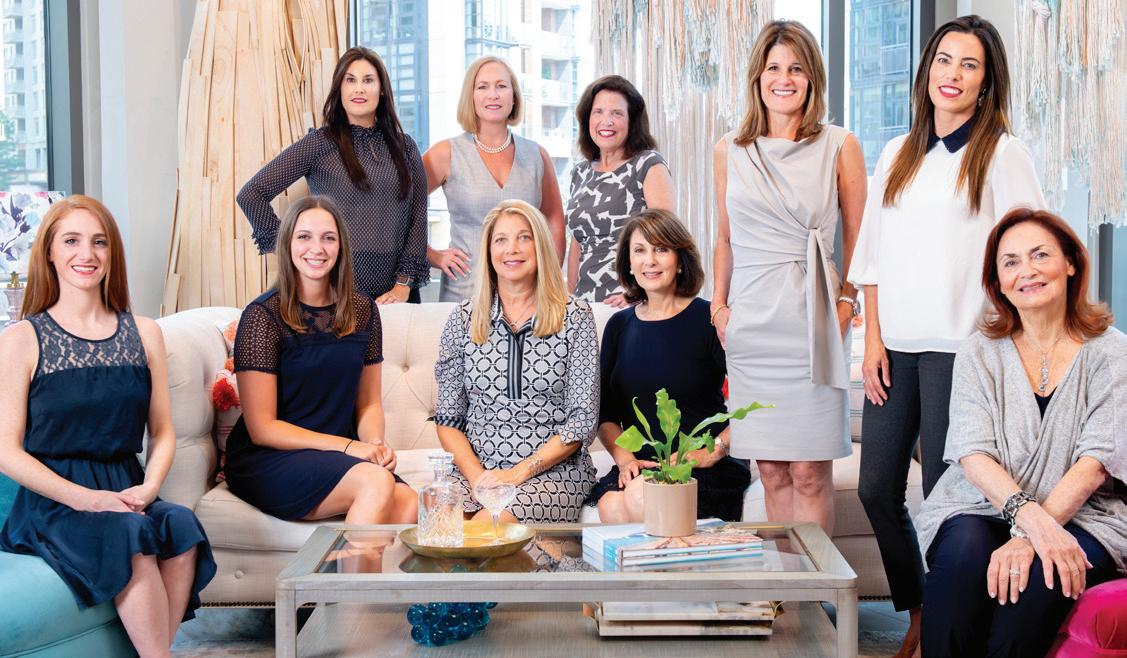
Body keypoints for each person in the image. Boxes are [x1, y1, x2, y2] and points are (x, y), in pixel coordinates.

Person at [846, 16, 1046, 655]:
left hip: (963, 352)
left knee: (943, 497)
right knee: (876, 487)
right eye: (944, 60)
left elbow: (1030, 250)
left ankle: (944, 624)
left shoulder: (1003, 154)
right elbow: (872, 256)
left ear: (987, 83)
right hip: (895, 348)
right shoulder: (897, 152)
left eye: (969, 65)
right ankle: (918, 607)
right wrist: (872, 341)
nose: (952, 75)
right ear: (927, 69)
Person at [0, 195, 216, 658]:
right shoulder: (22, 339)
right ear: (49, 252)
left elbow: (163, 431)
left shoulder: (145, 332)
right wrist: (87, 499)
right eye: (71, 241)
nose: (87, 253)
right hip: (54, 503)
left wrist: (150, 487)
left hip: (126, 487)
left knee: (180, 524)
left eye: (99, 242)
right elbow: (6, 452)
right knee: (128, 532)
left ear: (111, 253)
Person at [915, 208, 1127, 657]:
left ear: (1071, 263)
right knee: (962, 559)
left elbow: (1096, 463)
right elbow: (974, 455)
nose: (1026, 271)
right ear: (998, 281)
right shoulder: (978, 351)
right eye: (1010, 262)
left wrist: (1030, 538)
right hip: (981, 502)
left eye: (1040, 255)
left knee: (1041, 576)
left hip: (1088, 514)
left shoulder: (1112, 352)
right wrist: (1029, 522)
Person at [710, 21, 867, 535]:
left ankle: (817, 582)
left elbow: (860, 236)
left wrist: (846, 303)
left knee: (809, 473)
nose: (784, 79)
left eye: (796, 68)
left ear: (812, 77)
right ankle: (788, 583)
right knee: (773, 471)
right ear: (758, 78)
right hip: (752, 323)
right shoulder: (729, 149)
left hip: (813, 318)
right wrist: (719, 307)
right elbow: (725, 237)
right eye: (774, 68)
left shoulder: (840, 144)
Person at [223, 196, 417, 525]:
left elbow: (369, 403)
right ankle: (346, 563)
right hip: (272, 456)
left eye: (328, 238)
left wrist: (374, 445)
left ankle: (345, 559)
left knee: (410, 504)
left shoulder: (363, 310)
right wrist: (348, 448)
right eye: (304, 237)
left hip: (336, 454)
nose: (317, 248)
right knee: (375, 482)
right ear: (288, 244)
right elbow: (262, 429)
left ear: (341, 247)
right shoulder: (262, 316)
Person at [434, 199, 598, 523]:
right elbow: (448, 420)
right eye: (501, 240)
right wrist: (479, 479)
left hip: (553, 474)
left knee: (484, 530)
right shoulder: (463, 318)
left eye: (524, 237)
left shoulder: (575, 316)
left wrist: (516, 474)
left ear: (541, 246)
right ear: (488, 251)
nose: (512, 249)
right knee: (439, 526)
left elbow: (581, 422)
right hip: (477, 471)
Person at [589, 209, 751, 523]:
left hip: (703, 464)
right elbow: (605, 414)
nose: (649, 260)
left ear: (679, 260)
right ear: (629, 263)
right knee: (611, 505)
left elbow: (752, 397)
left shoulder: (709, 318)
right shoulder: (618, 326)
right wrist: (624, 460)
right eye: (640, 250)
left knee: (641, 497)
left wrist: (715, 449)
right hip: (642, 463)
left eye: (661, 249)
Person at [237, 46, 428, 304]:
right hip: (335, 293)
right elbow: (251, 194)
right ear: (340, 88)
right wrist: (292, 250)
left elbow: (418, 217)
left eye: (368, 80)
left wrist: (403, 285)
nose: (359, 89)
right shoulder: (319, 144)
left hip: (397, 295)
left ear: (382, 89)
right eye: (350, 80)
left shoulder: (406, 147)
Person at [422, 56, 566, 302]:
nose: (493, 95)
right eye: (483, 87)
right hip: (464, 293)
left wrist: (547, 280)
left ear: (514, 96)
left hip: (527, 296)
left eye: (501, 86)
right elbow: (398, 210)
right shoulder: (446, 153)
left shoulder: (536, 155)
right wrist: (433, 255)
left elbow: (554, 220)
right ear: (471, 96)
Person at [567, 75, 675, 307]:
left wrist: (635, 294)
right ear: (587, 119)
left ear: (631, 121)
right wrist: (569, 298)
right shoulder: (580, 173)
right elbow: (577, 242)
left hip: (630, 301)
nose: (606, 121)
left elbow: (666, 237)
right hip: (584, 304)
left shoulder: (647, 164)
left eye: (617, 113)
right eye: (598, 112)